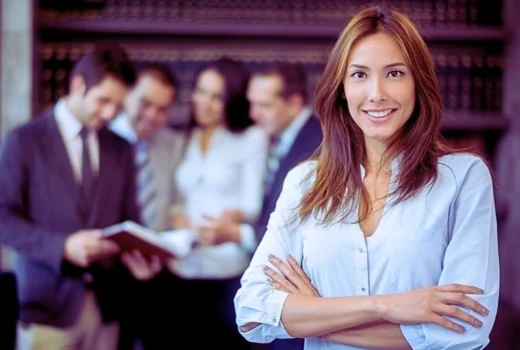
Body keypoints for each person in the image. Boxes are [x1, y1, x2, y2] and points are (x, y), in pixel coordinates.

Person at [234, 5, 499, 350]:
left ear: (419, 82)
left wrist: (313, 315)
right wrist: (388, 306)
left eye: (394, 74)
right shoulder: (304, 182)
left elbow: (465, 331)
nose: (376, 94)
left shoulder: (463, 179)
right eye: (359, 75)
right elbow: (251, 311)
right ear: (341, 88)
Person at [0, 45, 161, 350]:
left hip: (107, 307)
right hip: (47, 305)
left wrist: (142, 256)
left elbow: (130, 219)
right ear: (77, 85)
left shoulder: (121, 147)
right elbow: (3, 217)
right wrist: (62, 247)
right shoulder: (24, 141)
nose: (110, 113)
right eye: (103, 100)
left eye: (118, 105)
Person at [202, 61, 323, 350]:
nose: (254, 114)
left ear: (294, 102)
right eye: (252, 104)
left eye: (264, 105)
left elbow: (300, 228)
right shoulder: (281, 139)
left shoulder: (317, 144)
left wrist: (237, 233)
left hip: (298, 294)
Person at [162, 57, 267, 348]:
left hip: (226, 269)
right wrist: (178, 213)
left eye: (216, 96)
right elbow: (182, 194)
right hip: (183, 265)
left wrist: (226, 221)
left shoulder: (251, 138)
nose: (204, 103)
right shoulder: (187, 136)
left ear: (231, 100)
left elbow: (253, 204)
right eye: (201, 91)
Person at [108, 63, 185, 349]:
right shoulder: (102, 139)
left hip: (159, 273)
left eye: (162, 109)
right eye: (145, 103)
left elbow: (176, 200)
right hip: (112, 273)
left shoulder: (173, 143)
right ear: (127, 94)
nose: (152, 115)